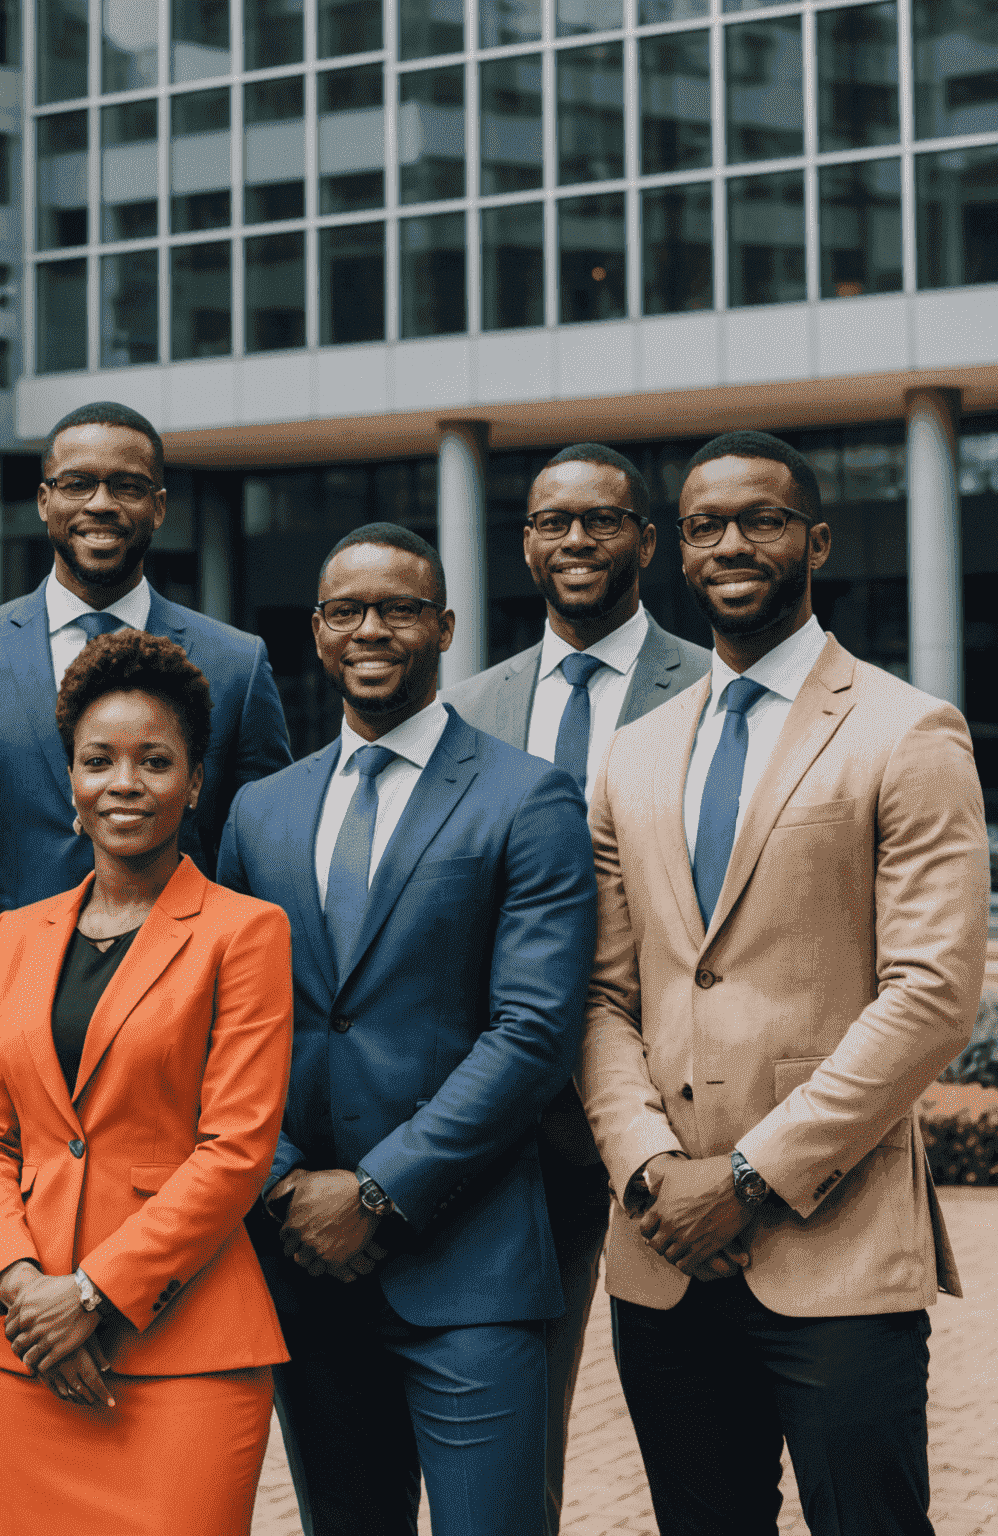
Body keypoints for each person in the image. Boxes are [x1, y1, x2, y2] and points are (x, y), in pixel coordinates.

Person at [579, 430, 989, 1536]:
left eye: (761, 519)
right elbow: (604, 995)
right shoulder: (632, 755)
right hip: (663, 1250)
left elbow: (932, 992)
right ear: (679, 553)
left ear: (815, 539)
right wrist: (648, 1166)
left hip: (838, 1241)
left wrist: (749, 1177)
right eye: (706, 524)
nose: (732, 543)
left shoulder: (910, 731)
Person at [0, 399, 291, 1530]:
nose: (100, 504)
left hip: (173, 1132)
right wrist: (18, 1266)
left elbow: (260, 848)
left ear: (158, 505)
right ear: (43, 498)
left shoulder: (234, 661)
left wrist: (101, 1286)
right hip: (15, 1117)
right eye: (76, 482)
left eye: (125, 484)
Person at [217, 522, 597, 1536]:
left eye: (400, 608)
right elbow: (222, 1028)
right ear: (317, 631)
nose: (372, 628)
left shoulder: (528, 798)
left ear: (445, 626)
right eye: (348, 610)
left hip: (469, 1260)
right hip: (302, 1264)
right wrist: (289, 1187)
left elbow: (533, 1032)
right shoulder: (259, 813)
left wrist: (379, 1194)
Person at [441, 442, 707, 1534]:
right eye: (555, 523)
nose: (578, 541)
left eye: (603, 520)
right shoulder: (464, 706)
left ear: (646, 542)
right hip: (518, 1116)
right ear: (526, 545)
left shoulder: (716, 686)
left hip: (684, 1103)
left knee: (702, 1427)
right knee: (514, 1424)